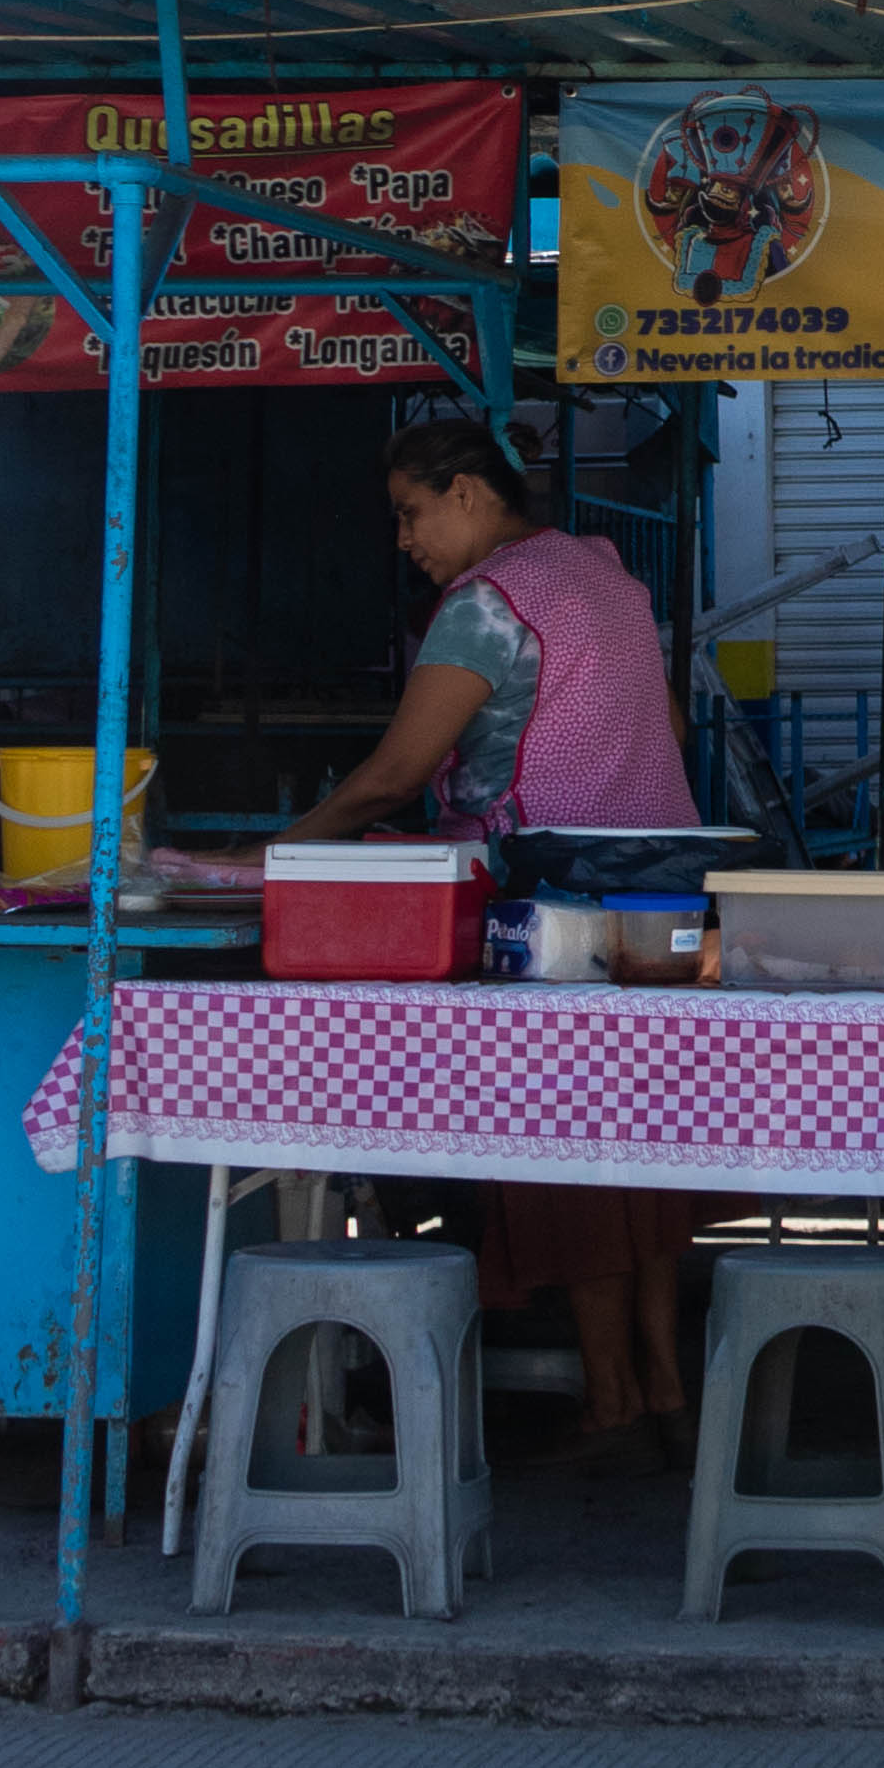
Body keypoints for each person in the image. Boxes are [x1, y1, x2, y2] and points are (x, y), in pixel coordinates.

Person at [285, 417, 713, 1460]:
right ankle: (663, 1384)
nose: (405, 539)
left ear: (470, 493)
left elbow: (392, 776)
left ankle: (611, 1396)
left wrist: (275, 858)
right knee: (645, 1152)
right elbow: (668, 722)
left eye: (411, 512)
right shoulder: (603, 576)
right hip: (666, 895)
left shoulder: (485, 604)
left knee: (567, 1156)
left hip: (552, 907)